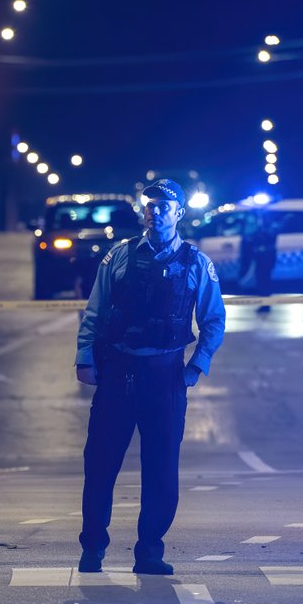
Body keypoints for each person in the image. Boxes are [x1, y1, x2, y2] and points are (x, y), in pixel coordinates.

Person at [75, 179, 226, 575]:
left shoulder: (196, 263)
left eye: (163, 206)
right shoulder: (119, 257)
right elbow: (95, 311)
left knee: (161, 468)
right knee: (100, 463)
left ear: (179, 213)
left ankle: (150, 551)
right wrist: (85, 358)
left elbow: (214, 319)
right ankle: (93, 547)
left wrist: (197, 365)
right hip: (119, 372)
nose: (155, 211)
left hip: (165, 374)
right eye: (150, 205)